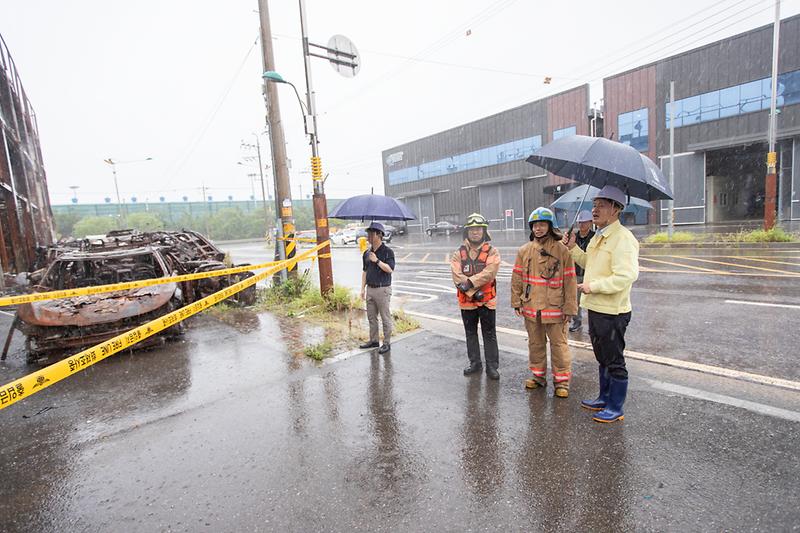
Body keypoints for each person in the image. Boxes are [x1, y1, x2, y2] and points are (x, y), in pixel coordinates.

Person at [565, 185, 639, 423]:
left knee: (614, 359)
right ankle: (604, 397)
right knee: (601, 356)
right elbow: (589, 262)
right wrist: (572, 249)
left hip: (613, 312)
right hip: (596, 308)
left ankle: (616, 407)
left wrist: (593, 286)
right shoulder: (600, 236)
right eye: (594, 204)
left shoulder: (623, 239)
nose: (594, 210)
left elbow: (625, 276)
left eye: (601, 205)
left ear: (616, 209)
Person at [511, 207, 577, 398]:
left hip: (555, 307)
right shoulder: (524, 251)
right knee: (535, 344)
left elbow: (570, 280)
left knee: (559, 346)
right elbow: (517, 277)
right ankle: (538, 377)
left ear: (550, 226)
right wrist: (517, 301)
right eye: (535, 225)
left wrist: (570, 307)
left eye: (542, 224)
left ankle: (562, 382)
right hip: (531, 307)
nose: (538, 228)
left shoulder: (562, 250)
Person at [450, 213, 501, 380]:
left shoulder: (492, 252)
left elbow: (489, 273)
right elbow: (457, 276)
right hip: (467, 303)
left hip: (487, 302)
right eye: (472, 229)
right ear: (467, 232)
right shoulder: (458, 253)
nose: (475, 232)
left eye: (478, 229)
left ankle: (492, 366)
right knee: (470, 333)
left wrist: (470, 283)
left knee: (489, 333)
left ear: (484, 231)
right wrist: (473, 293)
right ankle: (475, 363)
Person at [359, 222, 395, 354]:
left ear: (379, 235)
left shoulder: (387, 252)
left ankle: (386, 343)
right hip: (370, 289)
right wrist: (362, 289)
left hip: (383, 289)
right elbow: (365, 271)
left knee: (385, 317)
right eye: (368, 233)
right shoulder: (366, 253)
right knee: (371, 317)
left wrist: (377, 261)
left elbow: (390, 269)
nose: (368, 236)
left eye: (371, 233)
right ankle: (374, 340)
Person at [569, 210, 595, 332]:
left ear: (590, 222)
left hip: (590, 275)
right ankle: (577, 322)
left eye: (585, 222)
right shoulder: (573, 237)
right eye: (580, 222)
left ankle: (593, 324)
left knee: (591, 301)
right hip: (576, 273)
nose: (582, 225)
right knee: (576, 300)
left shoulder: (595, 237)